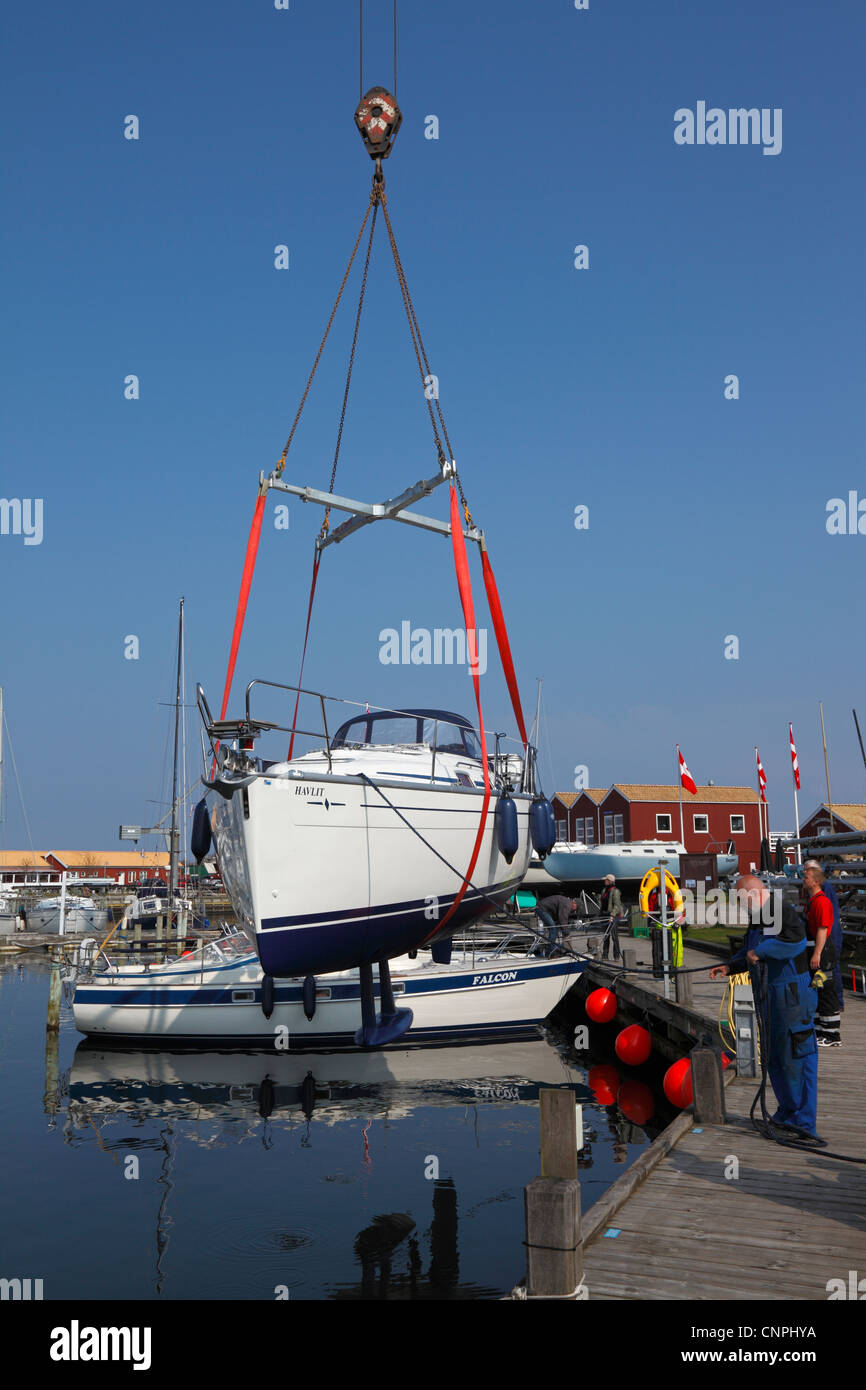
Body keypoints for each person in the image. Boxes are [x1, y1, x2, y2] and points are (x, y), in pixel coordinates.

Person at [709, 874, 818, 1138]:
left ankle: (803, 1121)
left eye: (740, 899)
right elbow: (749, 950)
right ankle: (787, 1110)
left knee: (796, 1055)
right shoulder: (759, 917)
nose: (739, 905)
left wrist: (763, 952)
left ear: (753, 894)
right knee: (775, 1056)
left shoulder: (779, 910)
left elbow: (796, 941)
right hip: (769, 994)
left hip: (791, 994)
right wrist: (730, 966)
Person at [802, 864, 841, 1046]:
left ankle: (832, 1035)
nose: (804, 879)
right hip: (814, 949)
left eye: (806, 877)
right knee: (817, 988)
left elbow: (823, 929)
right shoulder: (811, 902)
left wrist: (817, 954)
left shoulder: (822, 902)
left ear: (816, 881)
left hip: (823, 951)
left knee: (826, 990)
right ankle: (820, 1029)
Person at [600, 874, 624, 961]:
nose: (604, 881)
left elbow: (617, 905)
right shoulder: (604, 890)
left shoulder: (615, 891)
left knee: (614, 936)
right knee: (606, 936)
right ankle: (605, 955)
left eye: (606, 880)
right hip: (605, 915)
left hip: (612, 916)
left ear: (610, 881)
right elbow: (603, 903)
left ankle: (616, 956)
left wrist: (612, 915)